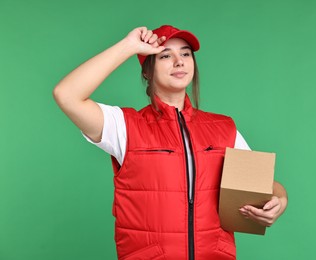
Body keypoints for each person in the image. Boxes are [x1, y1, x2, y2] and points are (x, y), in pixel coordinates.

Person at [53, 25, 288, 260]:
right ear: (147, 71)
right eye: (166, 55)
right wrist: (129, 46)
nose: (179, 62)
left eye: (185, 54)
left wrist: (280, 200)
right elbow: (66, 94)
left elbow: (263, 185)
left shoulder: (223, 128)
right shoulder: (125, 126)